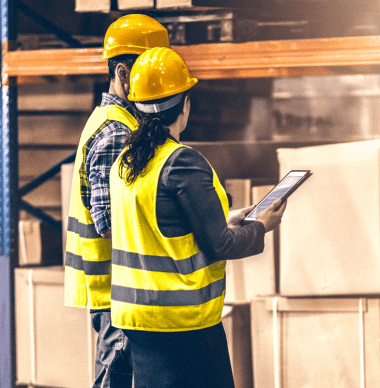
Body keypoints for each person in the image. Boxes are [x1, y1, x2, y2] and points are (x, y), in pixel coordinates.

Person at [108, 47, 287, 388]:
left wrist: (232, 217)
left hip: (137, 319)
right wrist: (261, 226)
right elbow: (219, 244)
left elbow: (159, 225)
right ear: (185, 105)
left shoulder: (126, 163)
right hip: (182, 324)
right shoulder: (181, 162)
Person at [63, 15, 170, 388]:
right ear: (123, 73)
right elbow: (110, 222)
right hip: (115, 291)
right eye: (145, 72)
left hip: (118, 289)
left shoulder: (117, 123)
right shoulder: (115, 132)